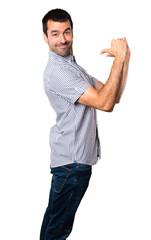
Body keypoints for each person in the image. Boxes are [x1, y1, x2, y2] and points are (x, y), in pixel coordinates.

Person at [40, 8, 130, 240]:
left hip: (71, 163)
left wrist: (124, 59)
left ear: (72, 32)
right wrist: (118, 60)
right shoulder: (59, 72)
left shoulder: (74, 69)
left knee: (53, 225)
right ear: (45, 37)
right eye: (55, 33)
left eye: (66, 32)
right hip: (72, 163)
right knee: (57, 231)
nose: (62, 39)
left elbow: (114, 96)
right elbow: (104, 103)